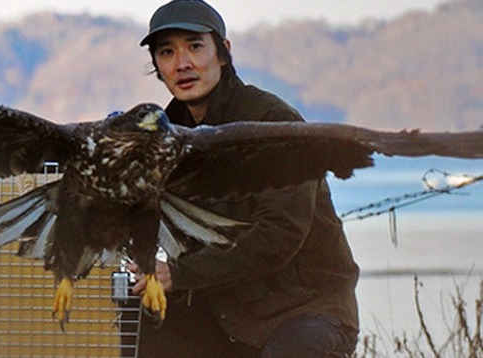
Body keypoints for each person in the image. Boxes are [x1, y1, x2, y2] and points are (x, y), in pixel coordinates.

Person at [128, 0, 359, 357]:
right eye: (167, 52)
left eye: (195, 46)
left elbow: (280, 234)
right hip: (224, 308)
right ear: (158, 67)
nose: (182, 63)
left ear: (223, 53)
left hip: (304, 309)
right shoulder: (165, 135)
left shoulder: (273, 121)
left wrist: (180, 274)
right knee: (133, 330)